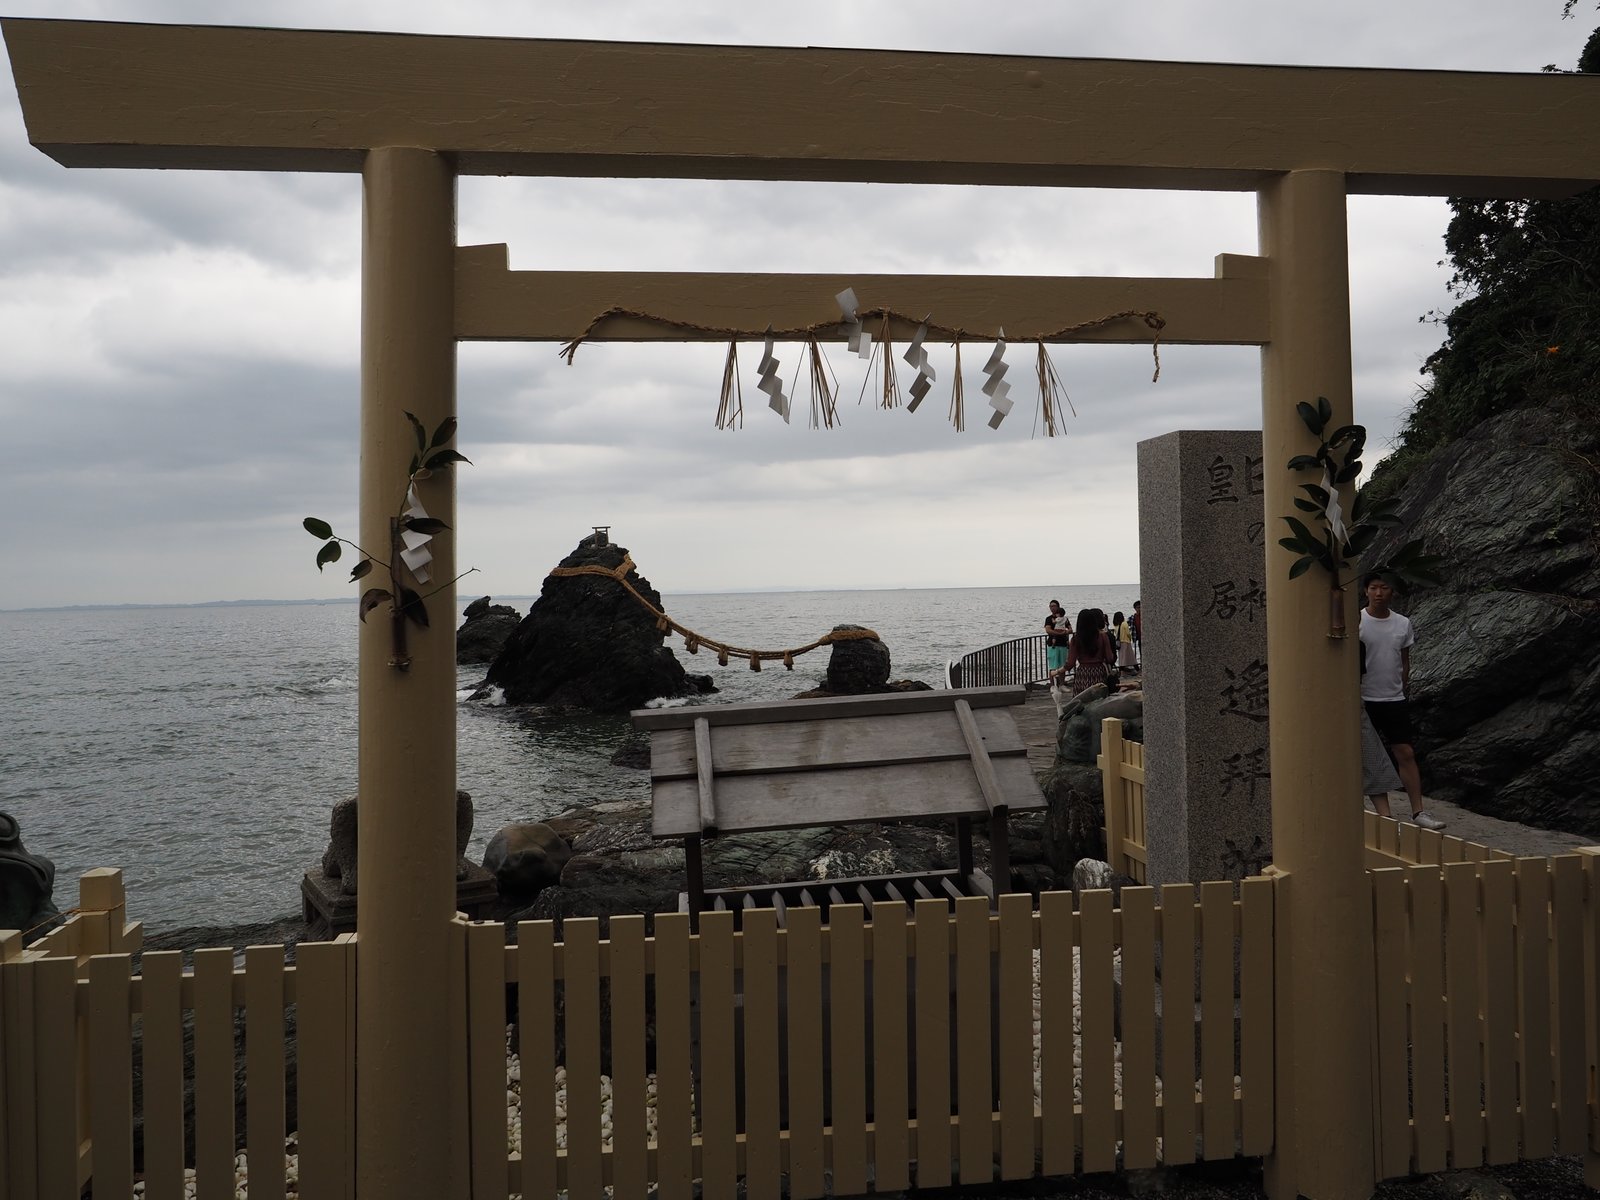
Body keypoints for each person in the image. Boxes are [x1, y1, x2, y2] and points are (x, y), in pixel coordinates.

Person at [1359, 572, 1445, 830]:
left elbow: (1404, 659)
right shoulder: (1357, 621)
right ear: (1366, 591)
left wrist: (1403, 685)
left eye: (1384, 588)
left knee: (1405, 752)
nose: (1378, 593)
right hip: (1364, 698)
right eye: (1373, 588)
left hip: (1394, 697)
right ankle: (1385, 817)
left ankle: (1418, 812)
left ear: (1392, 592)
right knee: (1372, 757)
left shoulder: (1402, 623)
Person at [1066, 608, 1116, 694]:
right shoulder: (1103, 637)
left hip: (1083, 673)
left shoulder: (1075, 639)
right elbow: (1110, 658)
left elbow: (1070, 663)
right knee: (1100, 700)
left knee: (1081, 701)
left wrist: (1058, 671)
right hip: (1099, 672)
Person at [1043, 599, 1073, 686]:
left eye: (1054, 606)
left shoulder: (1065, 619)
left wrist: (1065, 632)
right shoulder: (1049, 619)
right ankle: (1053, 685)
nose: (1052, 608)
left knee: (1063, 665)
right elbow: (1048, 630)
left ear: (1058, 607)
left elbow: (1071, 629)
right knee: (1053, 665)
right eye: (1051, 606)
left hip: (1063, 644)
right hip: (1053, 645)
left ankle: (1062, 684)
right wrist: (1061, 633)